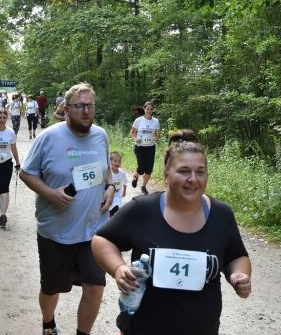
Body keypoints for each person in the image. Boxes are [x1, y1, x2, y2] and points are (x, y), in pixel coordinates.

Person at [92, 130, 252, 335]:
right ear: (167, 175)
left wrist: (240, 275)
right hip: (143, 328)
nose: (193, 179)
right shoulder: (142, 209)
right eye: (184, 171)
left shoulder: (221, 214)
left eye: (200, 171)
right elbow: (102, 240)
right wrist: (118, 269)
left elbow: (236, 256)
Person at [19, 83, 116, 335]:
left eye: (90, 106)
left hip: (94, 230)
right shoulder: (49, 137)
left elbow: (106, 171)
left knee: (95, 287)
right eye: (79, 106)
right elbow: (26, 173)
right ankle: (48, 322)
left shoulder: (100, 135)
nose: (85, 111)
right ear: (66, 108)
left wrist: (110, 187)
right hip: (56, 231)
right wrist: (51, 193)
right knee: (51, 289)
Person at [130, 101, 161, 195]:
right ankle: (136, 176)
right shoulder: (138, 120)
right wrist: (135, 139)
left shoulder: (155, 121)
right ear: (144, 109)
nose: (149, 111)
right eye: (147, 109)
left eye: (151, 109)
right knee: (141, 168)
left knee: (148, 169)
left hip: (151, 147)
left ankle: (143, 187)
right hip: (140, 147)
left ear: (152, 110)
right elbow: (132, 132)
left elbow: (157, 135)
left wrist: (157, 135)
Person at [108, 151, 128, 217]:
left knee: (117, 205)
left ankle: (112, 215)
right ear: (110, 162)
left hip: (117, 194)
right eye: (115, 161)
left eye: (119, 161)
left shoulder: (121, 173)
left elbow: (125, 182)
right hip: (109, 194)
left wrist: (124, 191)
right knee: (108, 206)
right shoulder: (108, 173)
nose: (117, 163)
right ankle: (109, 215)